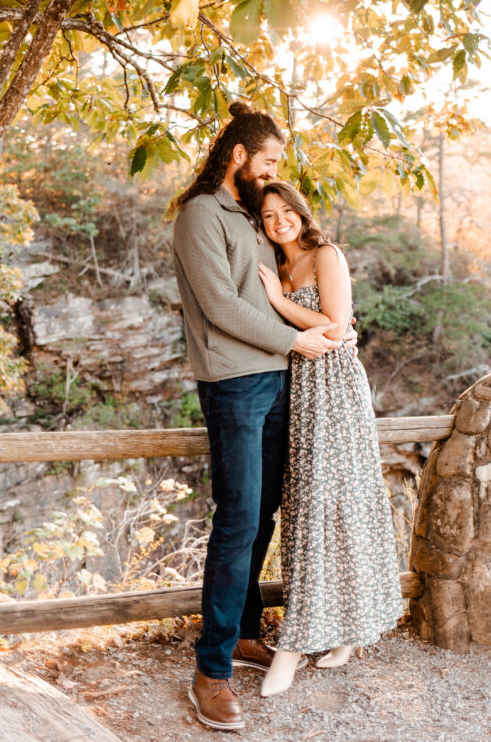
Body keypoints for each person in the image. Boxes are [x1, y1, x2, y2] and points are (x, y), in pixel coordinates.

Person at [171, 102, 342, 732]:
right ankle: (211, 671)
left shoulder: (249, 216)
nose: (273, 171)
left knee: (264, 512)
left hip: (277, 380)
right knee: (237, 519)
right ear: (239, 155)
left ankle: (243, 634)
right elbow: (219, 305)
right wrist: (294, 339)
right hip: (234, 383)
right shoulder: (199, 215)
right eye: (267, 159)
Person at [257, 181, 402, 698]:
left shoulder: (326, 255)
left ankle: (296, 648)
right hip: (296, 389)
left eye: (285, 211)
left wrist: (278, 300)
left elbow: (337, 330)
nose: (279, 221)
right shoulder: (274, 264)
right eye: (268, 215)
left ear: (300, 211)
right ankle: (346, 630)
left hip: (335, 388)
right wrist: (279, 299)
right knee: (308, 508)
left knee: (335, 504)